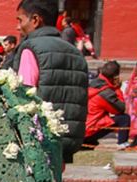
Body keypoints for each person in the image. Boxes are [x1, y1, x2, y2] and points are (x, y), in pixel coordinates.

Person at [13, 0, 88, 165]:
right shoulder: (76, 53)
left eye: (20, 20)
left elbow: (24, 96)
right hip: (66, 142)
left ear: (35, 20)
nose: (18, 27)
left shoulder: (30, 49)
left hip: (38, 139)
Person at [84, 60, 130, 149]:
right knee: (124, 118)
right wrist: (117, 89)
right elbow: (120, 109)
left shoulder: (92, 85)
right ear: (115, 76)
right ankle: (122, 143)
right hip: (90, 129)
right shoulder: (105, 93)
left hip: (84, 127)